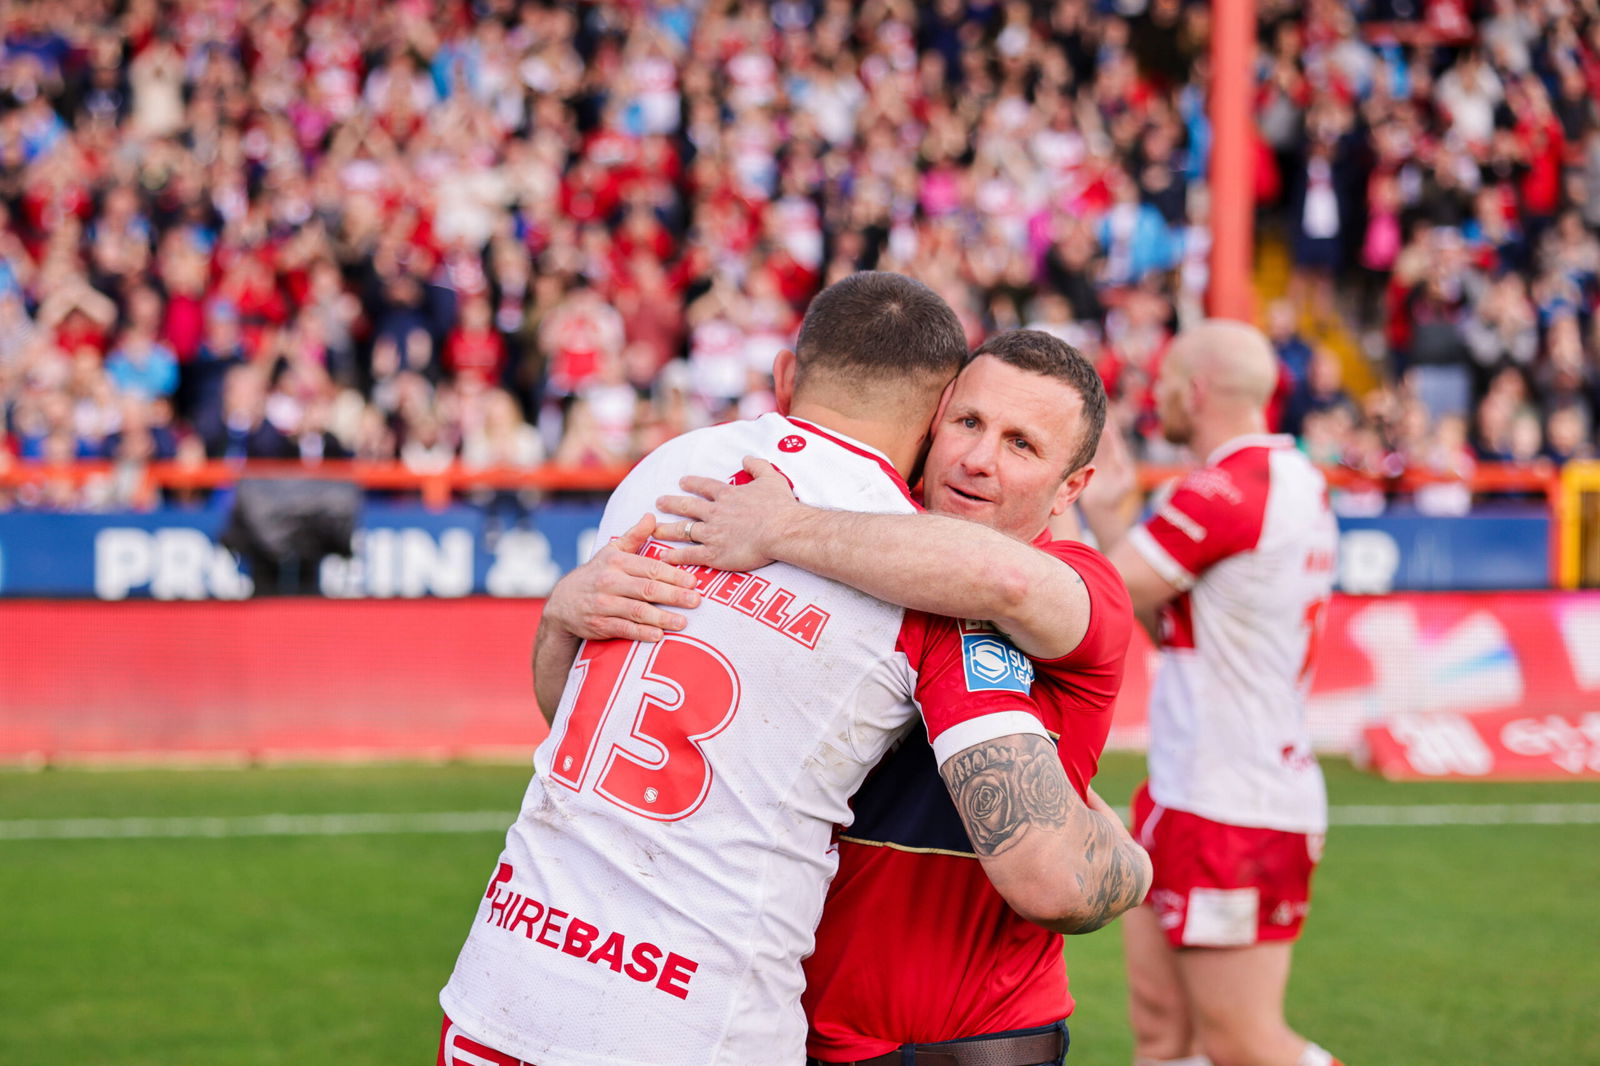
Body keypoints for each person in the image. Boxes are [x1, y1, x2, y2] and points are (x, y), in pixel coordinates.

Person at [437, 276, 1146, 1066]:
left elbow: (1003, 579)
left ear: (1071, 488)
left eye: (1022, 445)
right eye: (968, 422)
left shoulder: (1056, 588)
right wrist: (564, 613)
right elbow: (587, 721)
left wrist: (783, 526)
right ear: (929, 420)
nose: (979, 459)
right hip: (771, 1024)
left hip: (959, 1040)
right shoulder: (869, 560)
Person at [1076, 320, 1345, 1066]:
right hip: (1198, 790)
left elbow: (1095, 594)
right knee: (1165, 1037)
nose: (1154, 397)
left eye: (1163, 382)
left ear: (1194, 392)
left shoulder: (1230, 486)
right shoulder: (1290, 481)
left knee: (1245, 1044)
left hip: (1236, 805)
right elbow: (1179, 628)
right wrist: (1108, 522)